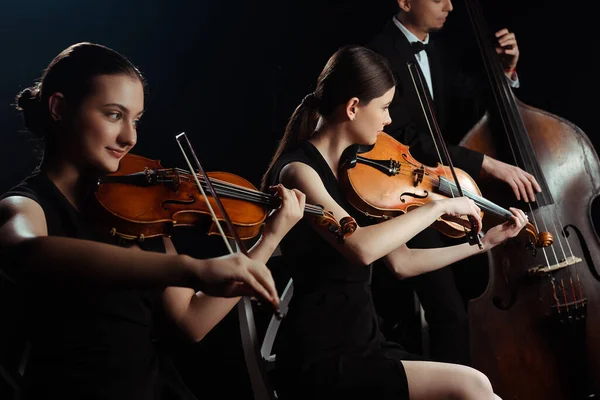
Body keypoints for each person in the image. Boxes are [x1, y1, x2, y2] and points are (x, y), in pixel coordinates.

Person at [0, 42, 306, 400]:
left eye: (136, 120)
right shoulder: (26, 204)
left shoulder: (138, 209)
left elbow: (192, 321)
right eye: (114, 115)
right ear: (59, 108)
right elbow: (28, 251)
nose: (130, 137)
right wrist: (190, 268)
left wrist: (270, 237)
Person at [262, 45, 527, 400]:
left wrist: (484, 242)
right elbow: (360, 247)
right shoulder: (299, 172)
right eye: (385, 108)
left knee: (477, 384)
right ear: (354, 107)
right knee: (473, 386)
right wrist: (433, 208)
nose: (389, 120)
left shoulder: (355, 173)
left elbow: (402, 263)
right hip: (324, 358)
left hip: (366, 344)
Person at [365, 0, 542, 364]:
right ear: (405, 2)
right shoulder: (378, 55)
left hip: (449, 196)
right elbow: (408, 139)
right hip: (404, 200)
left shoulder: (439, 50)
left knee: (478, 298)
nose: (449, 5)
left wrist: (504, 72)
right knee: (451, 316)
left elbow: (471, 108)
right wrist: (488, 164)